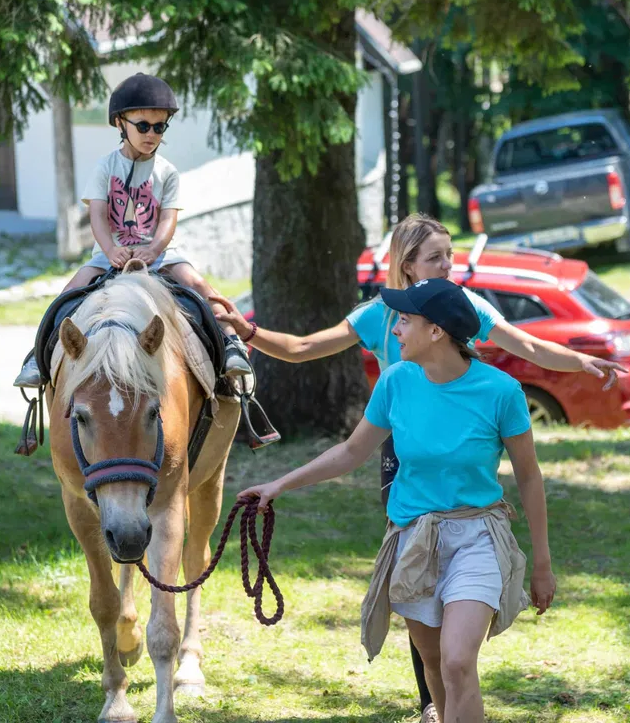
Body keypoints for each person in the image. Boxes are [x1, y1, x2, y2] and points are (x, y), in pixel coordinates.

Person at [210, 213, 625, 722]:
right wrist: (248, 334)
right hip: (402, 455)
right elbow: (308, 361)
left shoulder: (470, 330)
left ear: (437, 329)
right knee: (432, 650)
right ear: (407, 264)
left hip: (469, 493)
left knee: (455, 660)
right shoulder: (384, 331)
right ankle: (435, 703)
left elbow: (531, 351)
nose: (448, 265)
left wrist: (580, 361)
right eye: (436, 257)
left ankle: (446, 691)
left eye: (450, 255)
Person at [238, 278, 555, 723]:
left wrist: (541, 563)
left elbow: (528, 474)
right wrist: (279, 485)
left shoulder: (501, 392)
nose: (394, 331)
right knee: (435, 667)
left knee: (459, 661)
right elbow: (351, 452)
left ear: (436, 332)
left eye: (404, 321)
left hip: (478, 536)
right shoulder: (396, 382)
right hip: (414, 538)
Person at [13, 73, 251, 387]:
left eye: (159, 126)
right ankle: (37, 358)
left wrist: (154, 249)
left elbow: (168, 218)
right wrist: (110, 249)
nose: (151, 134)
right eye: (142, 126)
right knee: (66, 295)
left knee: (201, 286)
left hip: (161, 255)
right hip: (108, 255)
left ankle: (232, 347)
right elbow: (97, 214)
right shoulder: (105, 167)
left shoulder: (167, 172)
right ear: (119, 124)